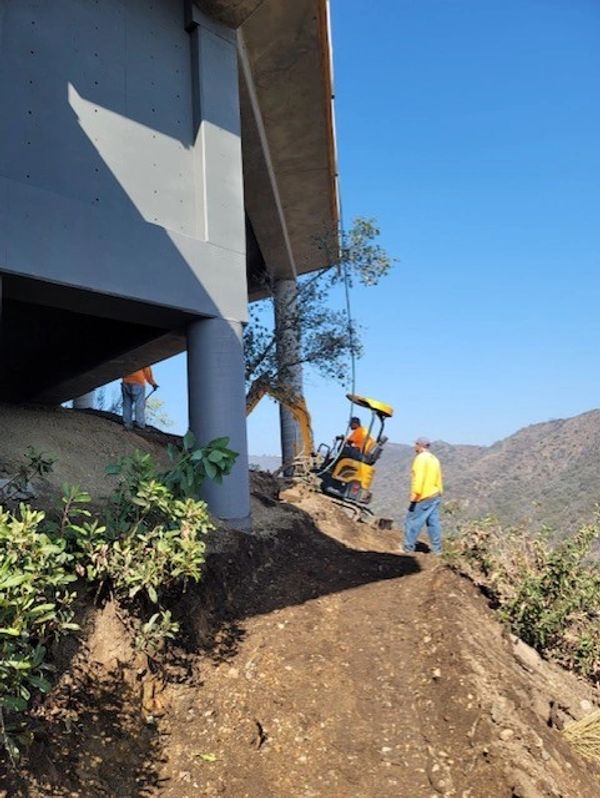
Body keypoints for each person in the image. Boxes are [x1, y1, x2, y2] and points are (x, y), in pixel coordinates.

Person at [403, 437, 443, 555]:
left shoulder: (420, 459)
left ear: (419, 445)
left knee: (412, 521)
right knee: (433, 523)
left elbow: (418, 477)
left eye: (415, 445)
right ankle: (437, 550)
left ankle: (408, 548)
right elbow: (439, 477)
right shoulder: (434, 459)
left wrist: (416, 494)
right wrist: (440, 491)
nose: (414, 447)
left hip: (423, 495)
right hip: (435, 494)